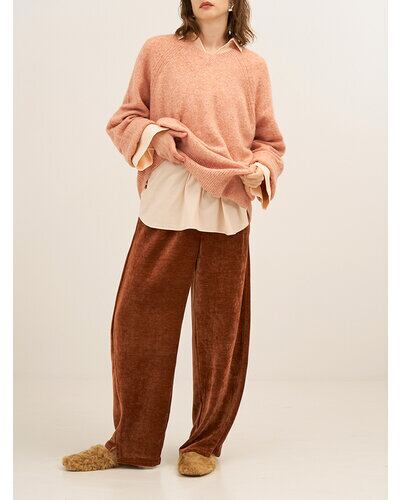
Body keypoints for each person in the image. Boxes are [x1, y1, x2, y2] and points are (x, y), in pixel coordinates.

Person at [62, 0, 285, 477]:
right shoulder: (158, 51)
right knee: (137, 322)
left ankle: (203, 444)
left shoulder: (253, 67)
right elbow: (126, 117)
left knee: (221, 334)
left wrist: (260, 169)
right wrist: (153, 136)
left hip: (226, 205)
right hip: (167, 198)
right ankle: (132, 445)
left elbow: (269, 142)